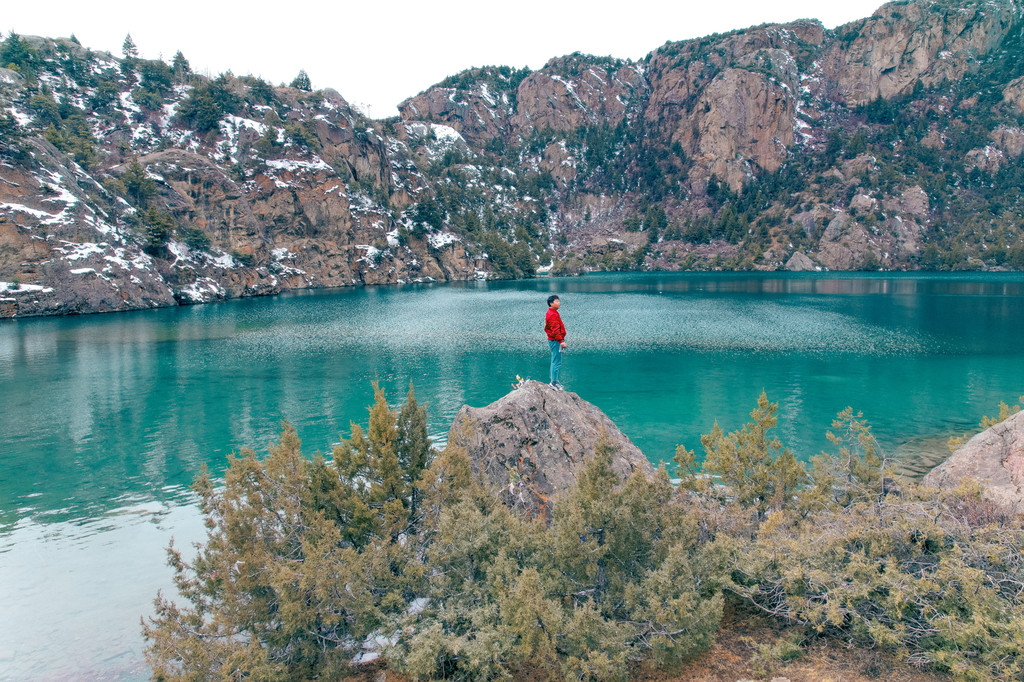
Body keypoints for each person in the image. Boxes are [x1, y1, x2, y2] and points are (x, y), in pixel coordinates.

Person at [545, 295, 567, 390]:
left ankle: (554, 380)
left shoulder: (552, 312)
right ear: (551, 303)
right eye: (556, 301)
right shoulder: (552, 314)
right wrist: (561, 341)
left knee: (555, 360)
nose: (559, 303)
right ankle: (553, 383)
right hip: (556, 341)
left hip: (555, 340)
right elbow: (555, 330)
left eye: (559, 301)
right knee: (556, 362)